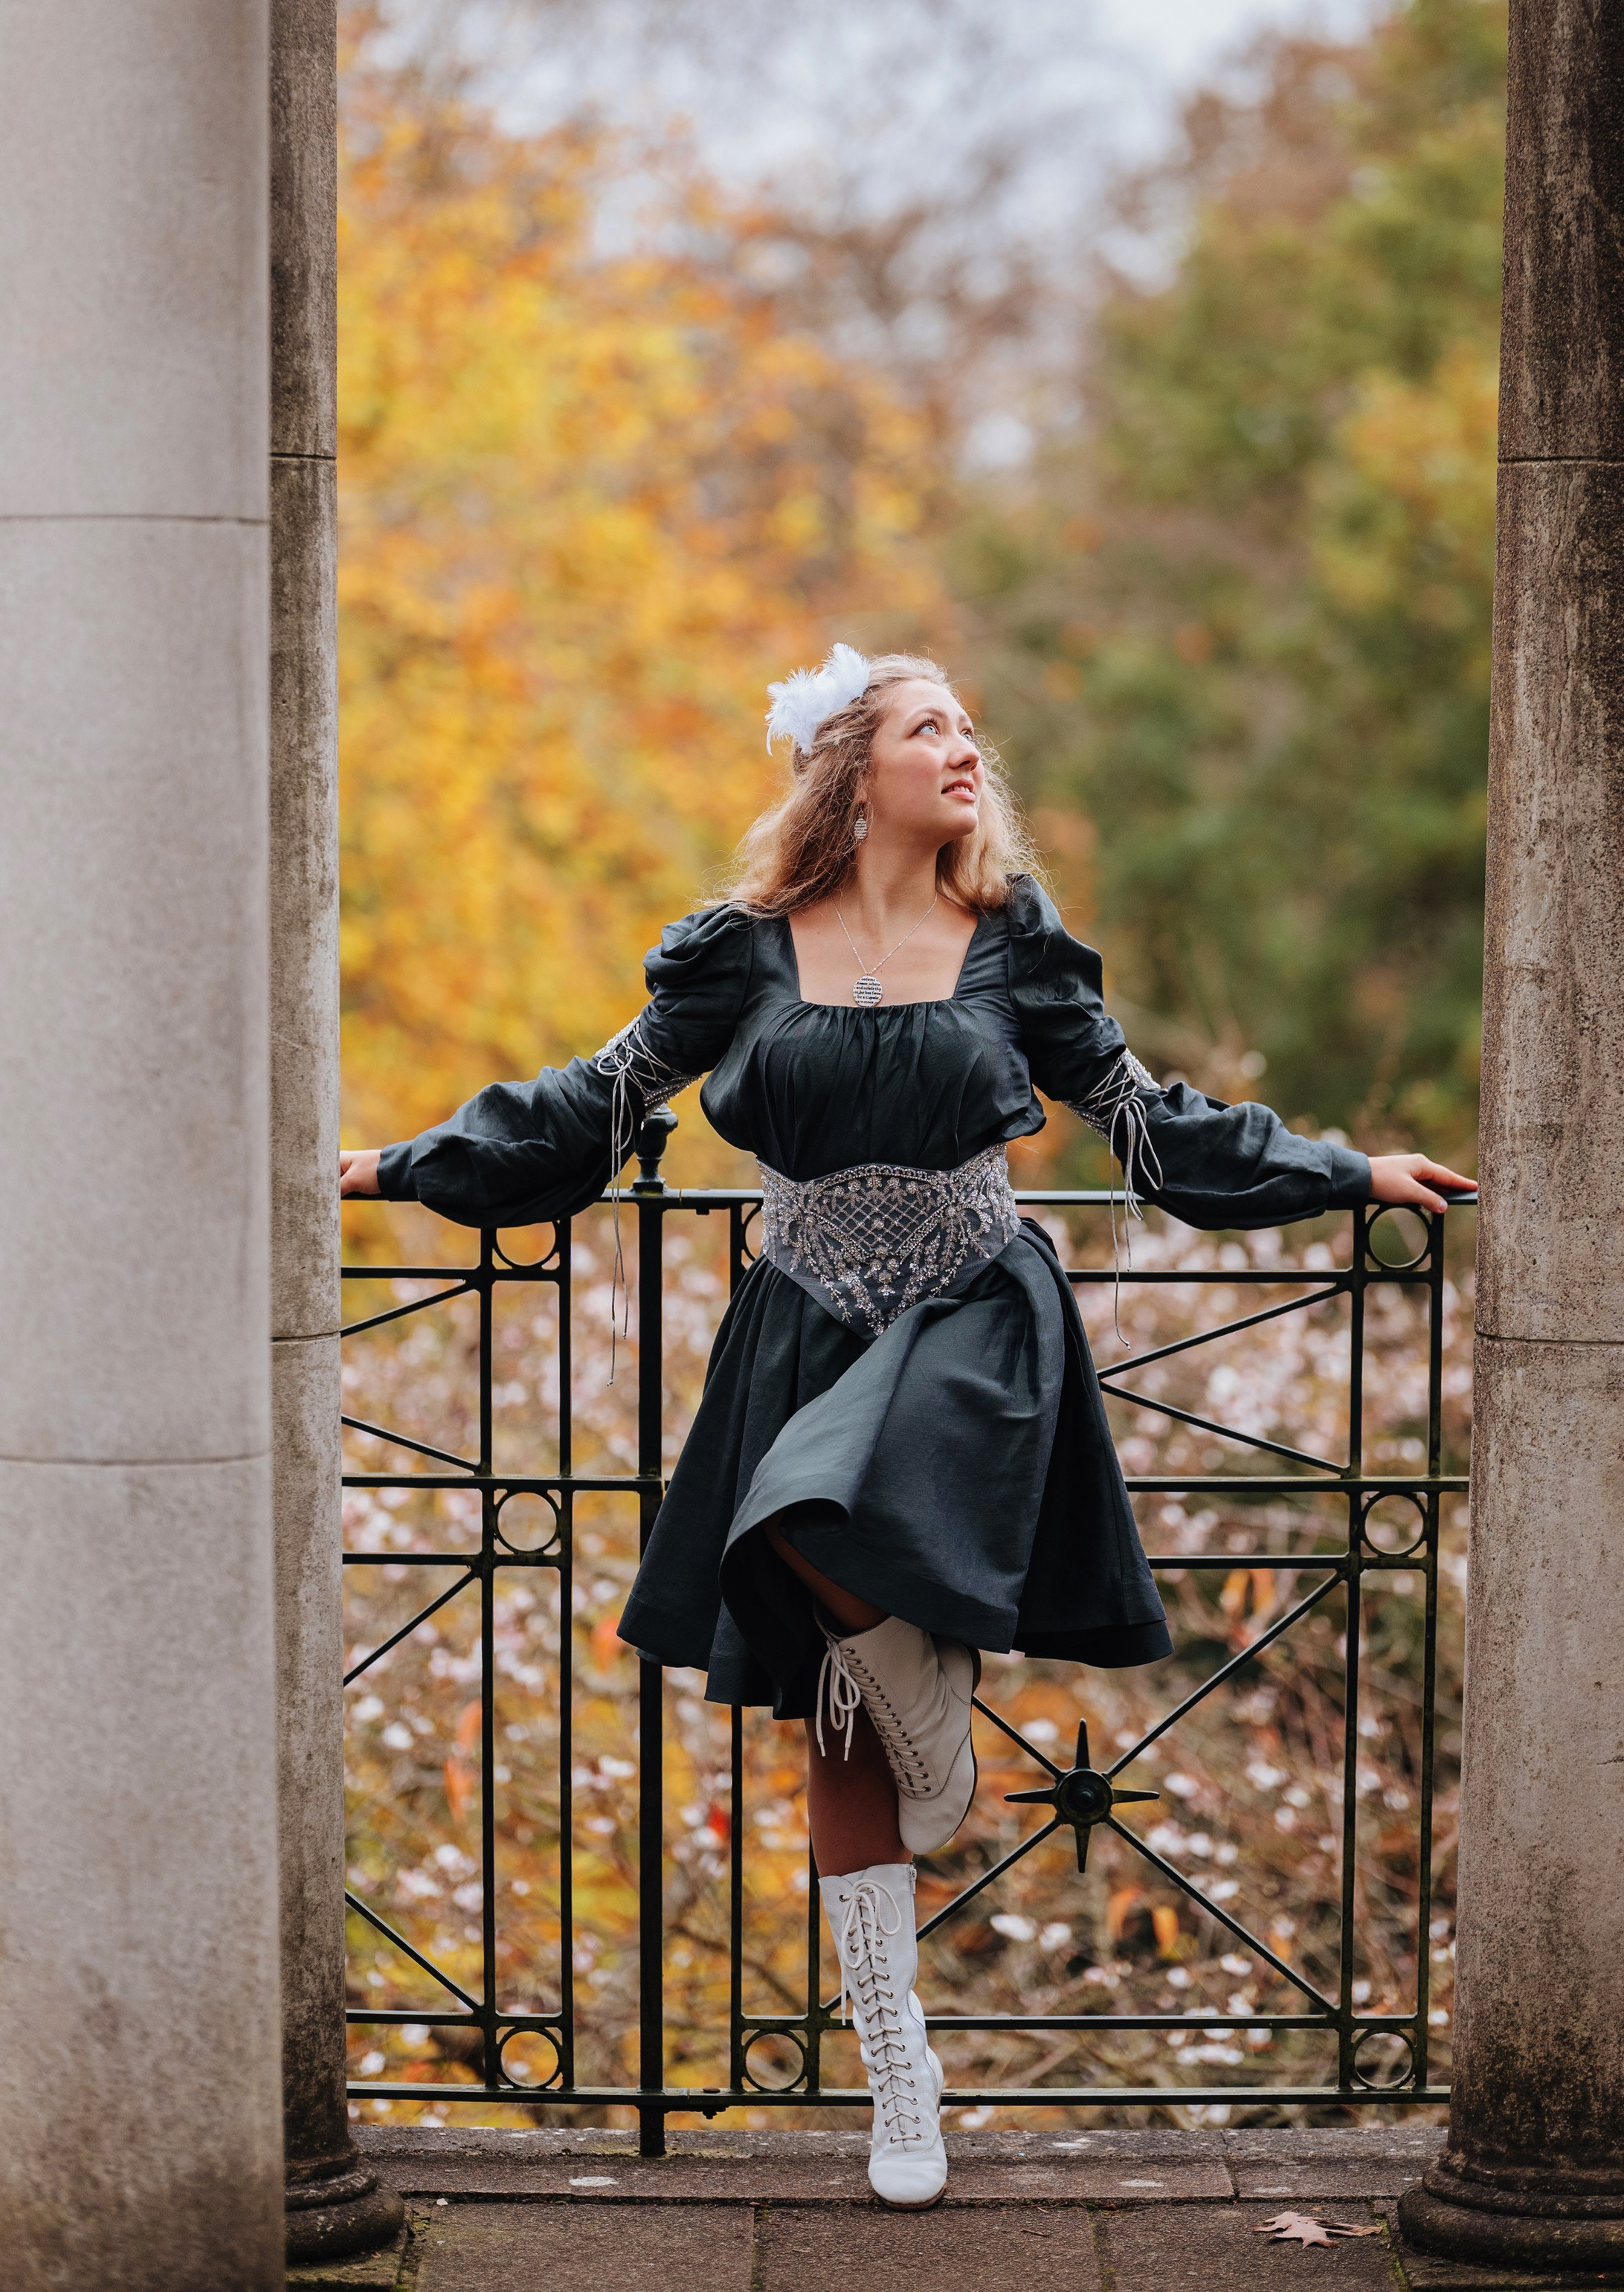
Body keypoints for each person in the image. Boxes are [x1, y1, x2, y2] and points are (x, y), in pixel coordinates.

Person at [341, 645, 1472, 2206]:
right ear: (846, 769)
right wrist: (403, 1163)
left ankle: (926, 1720)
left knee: (805, 1530)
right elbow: (590, 1109)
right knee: (833, 1702)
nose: (962, 750)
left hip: (972, 1318)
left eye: (963, 728)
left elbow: (1147, 1123)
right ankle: (900, 2078)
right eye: (925, 727)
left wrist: (1346, 1172)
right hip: (801, 1314)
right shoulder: (736, 954)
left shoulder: (1012, 945)